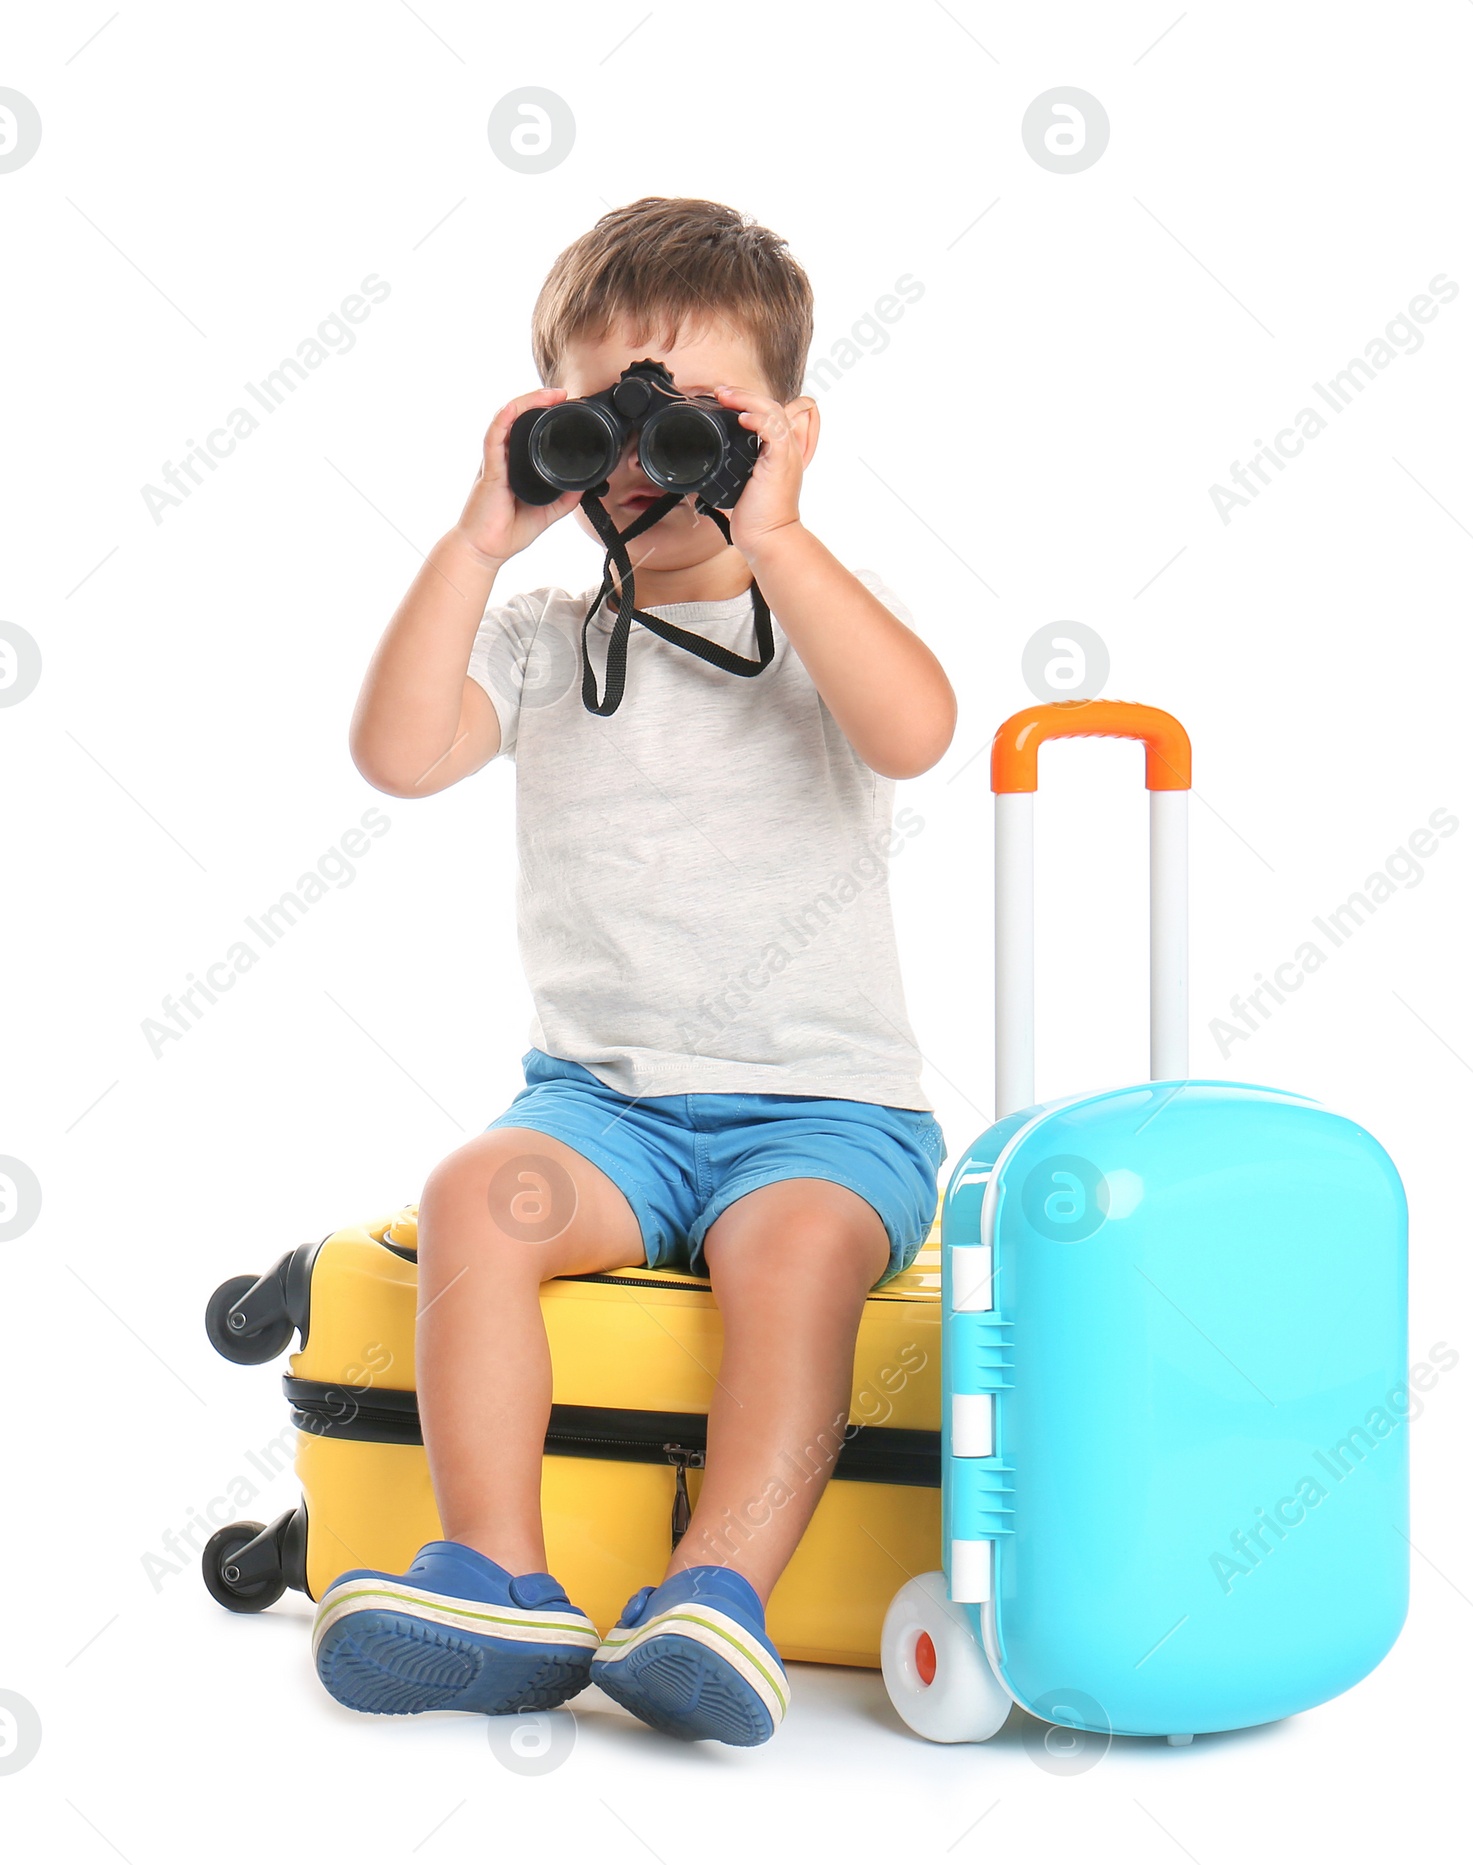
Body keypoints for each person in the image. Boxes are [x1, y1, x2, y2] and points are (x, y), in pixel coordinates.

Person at [316, 197, 956, 1745]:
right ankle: (499, 1581)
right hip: (604, 1105)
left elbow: (919, 728)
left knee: (790, 1256)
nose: (644, 456)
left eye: (697, 420)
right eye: (606, 417)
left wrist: (779, 529)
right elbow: (397, 754)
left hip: (827, 1113)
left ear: (788, 431)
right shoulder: (539, 638)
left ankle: (713, 1600)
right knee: (476, 1191)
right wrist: (480, 534)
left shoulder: (808, 617)